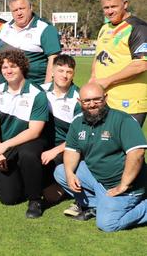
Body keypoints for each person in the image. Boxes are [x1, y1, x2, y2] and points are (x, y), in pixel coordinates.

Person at [54, 83, 147, 232]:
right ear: (80, 102)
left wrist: (123, 185)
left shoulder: (122, 119)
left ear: (106, 98)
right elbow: (71, 151)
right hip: (98, 179)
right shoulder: (78, 121)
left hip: (125, 187)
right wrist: (70, 173)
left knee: (107, 224)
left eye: (97, 100)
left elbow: (137, 153)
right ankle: (97, 205)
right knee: (61, 172)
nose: (92, 104)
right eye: (87, 101)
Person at [0, 49, 49, 218]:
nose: (8, 70)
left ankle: (35, 199)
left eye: (13, 66)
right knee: (8, 198)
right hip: (5, 146)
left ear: (22, 67)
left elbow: (35, 131)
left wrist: (4, 145)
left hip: (29, 141)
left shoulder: (37, 93)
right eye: (4, 67)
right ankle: (27, 182)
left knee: (28, 153)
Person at [90, 0, 147, 126]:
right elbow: (98, 57)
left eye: (114, 7)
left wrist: (107, 81)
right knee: (105, 144)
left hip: (130, 102)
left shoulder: (138, 28)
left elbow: (141, 64)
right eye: (106, 7)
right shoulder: (105, 28)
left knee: (128, 146)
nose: (109, 11)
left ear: (125, 4)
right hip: (106, 100)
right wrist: (93, 79)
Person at [0, 0, 61, 85]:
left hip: (34, 90)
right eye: (15, 10)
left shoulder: (45, 29)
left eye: (22, 8)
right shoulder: (4, 28)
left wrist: (46, 89)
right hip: (5, 91)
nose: (19, 13)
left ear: (31, 7)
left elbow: (53, 59)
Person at [40, 54, 81, 203]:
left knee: (50, 195)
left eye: (69, 72)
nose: (64, 75)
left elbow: (79, 137)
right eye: (60, 70)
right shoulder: (40, 91)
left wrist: (55, 151)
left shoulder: (79, 98)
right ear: (52, 71)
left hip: (68, 149)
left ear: (73, 74)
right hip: (44, 143)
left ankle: (62, 185)